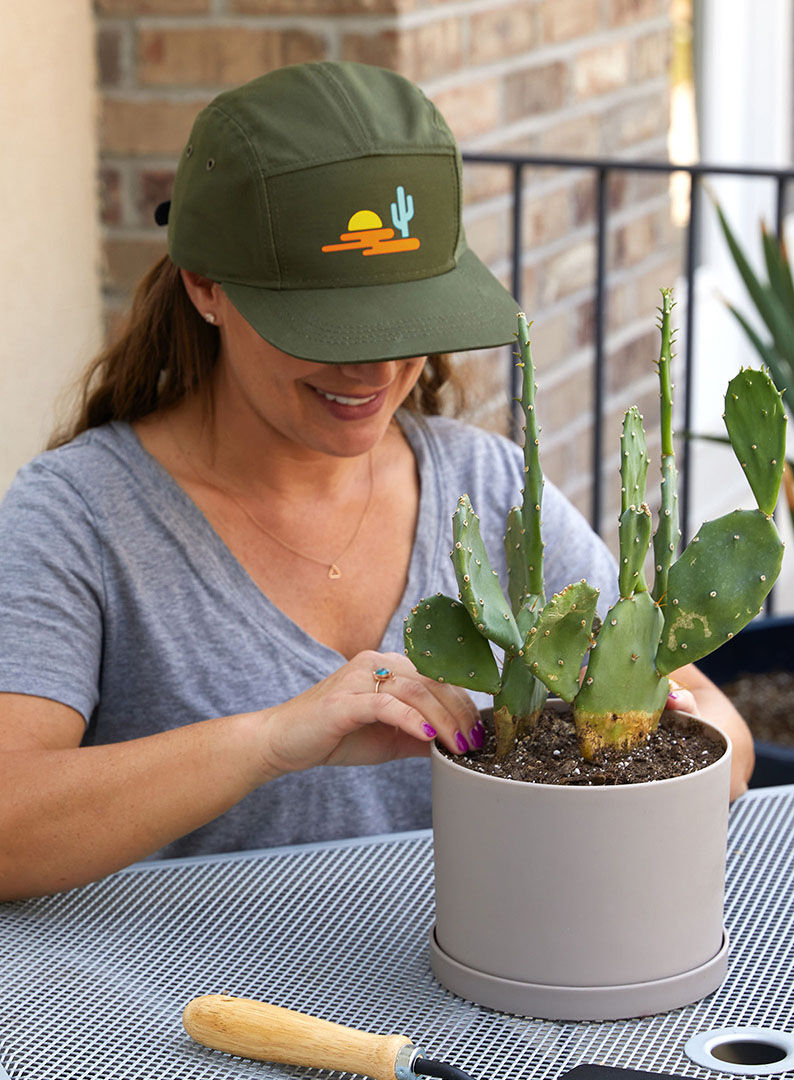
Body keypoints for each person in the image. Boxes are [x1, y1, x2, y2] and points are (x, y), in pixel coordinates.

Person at [0, 62, 752, 901]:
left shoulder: (490, 486)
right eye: (331, 324)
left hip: (461, 1006)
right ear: (206, 285)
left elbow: (723, 737)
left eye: (407, 319)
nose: (380, 366)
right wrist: (277, 739)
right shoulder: (75, 517)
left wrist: (628, 751)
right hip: (172, 1019)